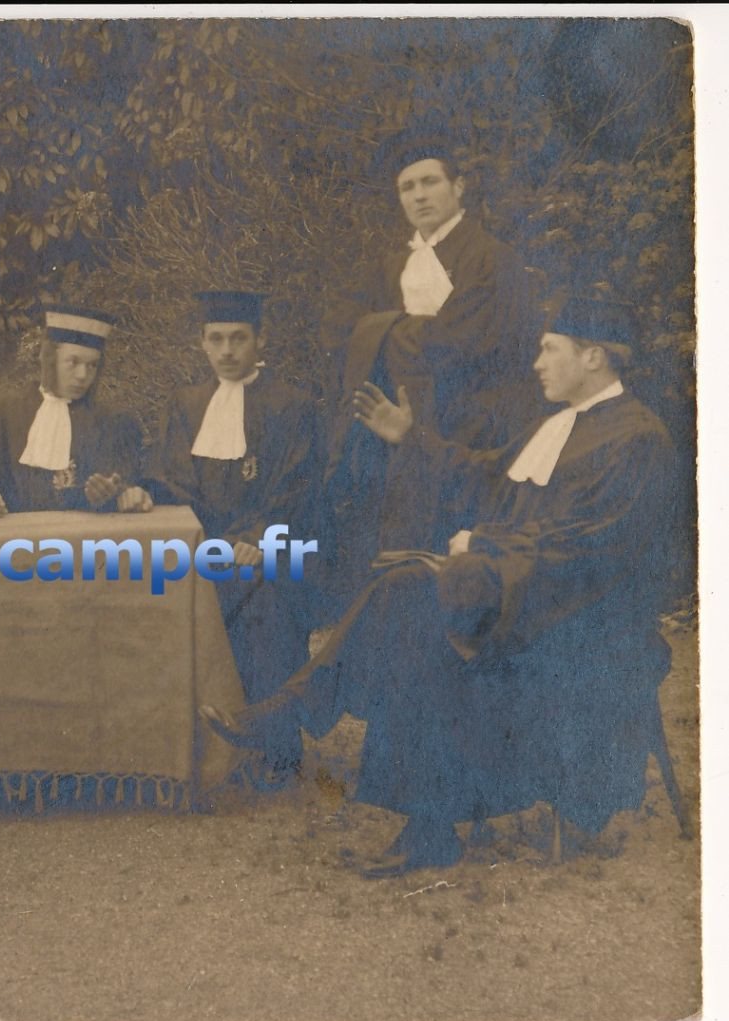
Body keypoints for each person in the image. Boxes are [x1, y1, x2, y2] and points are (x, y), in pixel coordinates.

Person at [204, 294, 675, 878]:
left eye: (550, 350)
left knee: (413, 604)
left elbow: (590, 553)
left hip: (583, 625)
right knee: (407, 594)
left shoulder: (636, 438)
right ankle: (403, 807)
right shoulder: (559, 424)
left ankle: (299, 717)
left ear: (594, 357)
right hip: (521, 597)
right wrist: (410, 438)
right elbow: (486, 479)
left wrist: (481, 550)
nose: (537, 363)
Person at [322, 128, 542, 597]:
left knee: (460, 552)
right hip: (401, 424)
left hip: (475, 423)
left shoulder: (492, 258)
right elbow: (342, 328)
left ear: (458, 187)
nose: (419, 195)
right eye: (408, 187)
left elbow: (472, 339)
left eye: (430, 182)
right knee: (405, 554)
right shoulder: (389, 266)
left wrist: (387, 329)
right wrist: (404, 332)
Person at [142, 291, 320, 783]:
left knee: (268, 606)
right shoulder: (184, 407)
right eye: (216, 339)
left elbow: (299, 487)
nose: (227, 350)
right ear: (201, 343)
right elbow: (169, 480)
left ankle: (274, 753)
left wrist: (260, 538)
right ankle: (192, 750)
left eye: (238, 338)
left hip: (278, 546)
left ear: (260, 340)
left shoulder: (292, 407)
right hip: (202, 548)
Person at [0, 305, 151, 517]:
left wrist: (114, 495)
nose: (82, 375)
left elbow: (129, 489)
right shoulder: (4, 415)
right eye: (73, 362)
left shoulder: (113, 422)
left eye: (92, 365)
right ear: (50, 360)